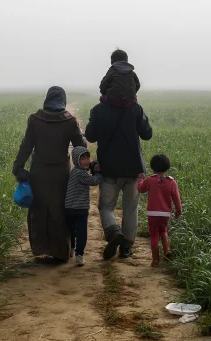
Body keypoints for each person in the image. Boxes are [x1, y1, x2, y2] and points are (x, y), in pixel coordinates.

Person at [12, 86, 86, 262]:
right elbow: (80, 146)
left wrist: (18, 167)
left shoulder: (35, 120)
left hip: (39, 172)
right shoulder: (70, 122)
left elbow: (26, 146)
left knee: (39, 210)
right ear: (63, 101)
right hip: (61, 173)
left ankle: (41, 249)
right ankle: (61, 251)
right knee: (59, 210)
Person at [84, 90, 153, 261]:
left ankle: (114, 231)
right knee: (131, 208)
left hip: (109, 168)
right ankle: (126, 249)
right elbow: (147, 134)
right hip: (134, 168)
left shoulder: (98, 109)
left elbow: (90, 136)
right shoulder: (135, 108)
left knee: (106, 206)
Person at [138, 154, 182, 267]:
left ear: (152, 167)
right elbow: (176, 198)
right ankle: (167, 250)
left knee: (154, 235)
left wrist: (140, 179)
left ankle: (155, 260)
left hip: (152, 213)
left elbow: (141, 189)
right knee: (163, 231)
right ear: (167, 167)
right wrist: (178, 210)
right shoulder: (171, 182)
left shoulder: (150, 180)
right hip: (165, 214)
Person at [64, 146, 102, 266]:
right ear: (76, 159)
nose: (87, 161)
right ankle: (79, 255)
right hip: (80, 209)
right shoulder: (80, 173)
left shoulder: (73, 171)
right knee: (81, 232)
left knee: (72, 231)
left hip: (69, 208)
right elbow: (94, 181)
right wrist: (98, 172)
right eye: (83, 158)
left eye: (87, 158)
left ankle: (71, 249)